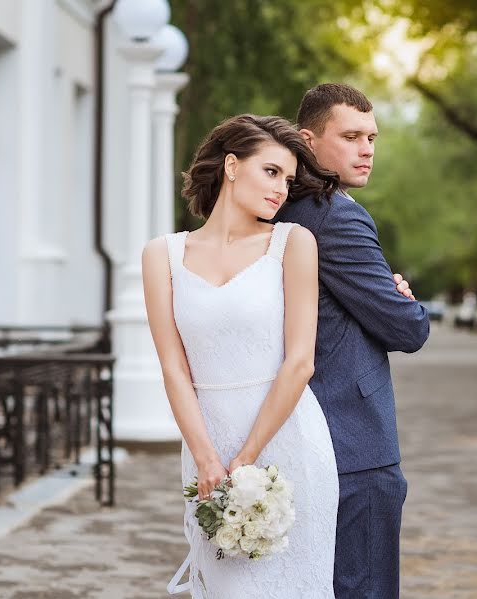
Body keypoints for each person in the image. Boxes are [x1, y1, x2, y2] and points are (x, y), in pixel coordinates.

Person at [142, 114, 341, 597]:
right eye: (271, 172)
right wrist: (209, 459)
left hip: (287, 440)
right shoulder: (161, 255)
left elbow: (300, 362)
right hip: (206, 446)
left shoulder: (293, 243)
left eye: (288, 180)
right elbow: (174, 368)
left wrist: (247, 457)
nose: (281, 190)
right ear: (232, 165)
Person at [274, 83, 431, 598]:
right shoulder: (335, 215)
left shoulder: (277, 210)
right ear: (308, 140)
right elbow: (407, 330)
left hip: (296, 438)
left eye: (372, 138)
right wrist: (404, 303)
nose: (366, 149)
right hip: (355, 445)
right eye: (350, 136)